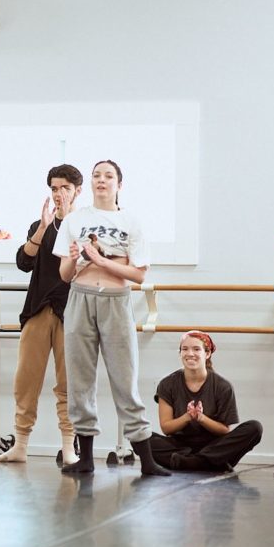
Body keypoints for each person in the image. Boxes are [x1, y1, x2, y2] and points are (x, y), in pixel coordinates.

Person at [53, 160, 170, 476]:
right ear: (89, 183)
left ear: (120, 184)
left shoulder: (131, 221)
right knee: (80, 379)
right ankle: (86, 458)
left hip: (115, 301)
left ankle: (147, 460)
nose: (101, 180)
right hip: (80, 298)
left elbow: (138, 275)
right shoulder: (75, 220)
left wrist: (102, 261)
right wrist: (77, 259)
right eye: (96, 175)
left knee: (124, 378)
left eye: (108, 176)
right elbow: (64, 274)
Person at [0, 164, 83, 465]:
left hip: (72, 312)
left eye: (65, 188)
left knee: (68, 382)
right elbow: (24, 262)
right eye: (54, 189)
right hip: (38, 310)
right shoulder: (40, 225)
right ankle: (19, 444)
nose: (59, 194)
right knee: (26, 380)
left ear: (77, 191)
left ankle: (69, 447)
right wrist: (43, 228)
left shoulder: (85, 225)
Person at [151, 331, 262, 471]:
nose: (190, 353)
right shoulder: (167, 384)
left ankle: (193, 462)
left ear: (207, 354)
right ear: (180, 353)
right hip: (180, 446)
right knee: (140, 436)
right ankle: (207, 462)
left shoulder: (223, 386)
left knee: (255, 428)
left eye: (196, 349)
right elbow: (166, 428)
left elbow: (224, 430)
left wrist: (201, 418)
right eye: (185, 349)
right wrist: (187, 417)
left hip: (214, 445)